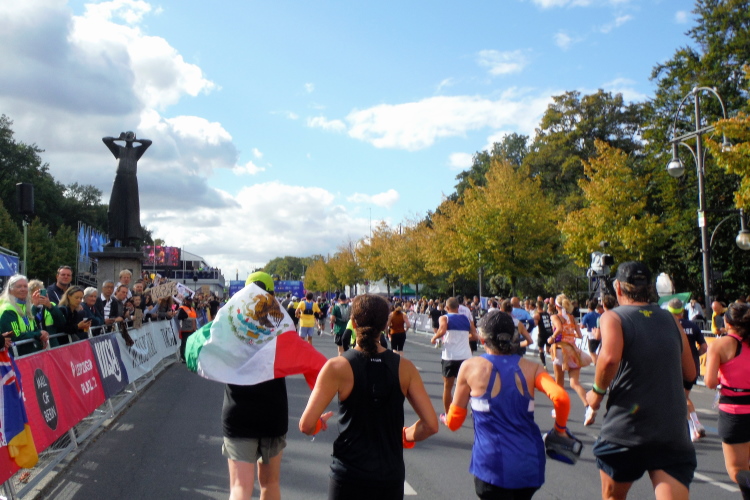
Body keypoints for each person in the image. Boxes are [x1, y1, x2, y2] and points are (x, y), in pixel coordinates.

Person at [299, 294, 438, 500]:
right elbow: (431, 425)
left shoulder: (337, 366)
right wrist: (405, 436)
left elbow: (306, 425)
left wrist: (319, 423)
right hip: (389, 476)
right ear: (385, 325)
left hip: (348, 475)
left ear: (353, 323)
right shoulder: (405, 368)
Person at [586, 262, 697, 500]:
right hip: (670, 431)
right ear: (649, 288)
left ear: (618, 288)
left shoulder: (612, 317)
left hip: (626, 429)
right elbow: (690, 372)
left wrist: (596, 394)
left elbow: (609, 359)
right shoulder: (671, 319)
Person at [445, 310, 572, 500]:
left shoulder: (470, 367)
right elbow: (561, 398)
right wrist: (560, 430)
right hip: (529, 464)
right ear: (513, 337)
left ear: (482, 339)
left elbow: (454, 423)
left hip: (492, 465)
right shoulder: (533, 368)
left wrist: (446, 419)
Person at [223, 272, 321, 500]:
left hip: (237, 410)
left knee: (239, 487)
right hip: (272, 411)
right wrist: (318, 407)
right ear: (272, 294)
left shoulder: (229, 320)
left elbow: (198, 344)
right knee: (270, 484)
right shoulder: (281, 324)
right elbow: (313, 361)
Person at [704, 302, 750, 499]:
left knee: (736, 469)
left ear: (727, 322)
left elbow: (709, 382)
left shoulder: (720, 345)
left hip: (735, 412)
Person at [667, 298, 708, 442]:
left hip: (675, 367)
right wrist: (694, 356)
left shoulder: (668, 326)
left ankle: (692, 428)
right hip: (692, 367)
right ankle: (695, 424)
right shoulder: (692, 326)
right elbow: (704, 347)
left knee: (679, 399)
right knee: (683, 397)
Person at [548, 294, 592, 424]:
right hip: (573, 351)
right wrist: (570, 334)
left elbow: (559, 329)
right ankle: (588, 406)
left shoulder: (555, 317)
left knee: (559, 384)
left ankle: (559, 410)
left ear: (556, 306)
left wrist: (552, 338)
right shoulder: (572, 318)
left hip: (560, 350)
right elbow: (579, 335)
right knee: (575, 383)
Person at [431, 297, 478, 419]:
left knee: (448, 387)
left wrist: (434, 337)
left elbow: (442, 330)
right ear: (458, 307)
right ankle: (475, 410)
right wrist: (464, 337)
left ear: (447, 308)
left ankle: (449, 416)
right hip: (465, 357)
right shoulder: (466, 318)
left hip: (450, 357)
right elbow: (475, 335)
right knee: (468, 387)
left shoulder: (444, 318)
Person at [0, 275, 50, 356]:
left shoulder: (26, 307)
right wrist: (38, 334)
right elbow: (14, 336)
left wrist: (42, 334)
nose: (23, 289)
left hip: (29, 355)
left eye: (25, 286)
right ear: (10, 290)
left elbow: (34, 329)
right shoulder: (8, 309)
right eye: (19, 286)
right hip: (14, 357)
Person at [28, 280, 65, 347]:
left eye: (41, 292)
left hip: (52, 344)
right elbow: (30, 324)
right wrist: (34, 306)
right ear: (29, 295)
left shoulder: (51, 305)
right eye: (36, 293)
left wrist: (49, 306)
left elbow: (62, 323)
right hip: (36, 346)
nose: (39, 295)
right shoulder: (27, 308)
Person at [177, 296, 198, 362]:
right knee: (184, 343)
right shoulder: (182, 308)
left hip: (192, 328)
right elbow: (179, 317)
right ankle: (183, 357)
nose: (190, 302)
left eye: (190, 301)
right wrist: (186, 316)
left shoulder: (192, 308)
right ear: (185, 301)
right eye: (188, 301)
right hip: (185, 329)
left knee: (192, 343)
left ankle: (190, 355)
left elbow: (194, 318)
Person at [581, 299, 601, 365]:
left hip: (591, 334)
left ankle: (597, 365)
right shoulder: (599, 315)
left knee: (592, 352)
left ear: (588, 307)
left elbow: (582, 326)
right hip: (599, 334)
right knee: (597, 351)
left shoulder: (587, 316)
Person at [534, 300, 553, 368]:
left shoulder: (537, 315)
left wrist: (532, 320)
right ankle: (557, 361)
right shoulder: (547, 313)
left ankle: (544, 364)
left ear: (537, 306)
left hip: (542, 333)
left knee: (541, 349)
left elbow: (535, 324)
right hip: (549, 332)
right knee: (548, 350)